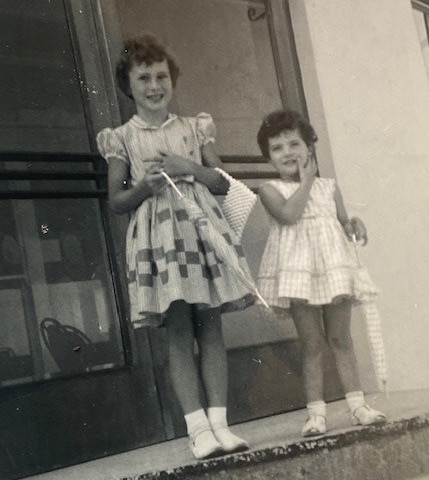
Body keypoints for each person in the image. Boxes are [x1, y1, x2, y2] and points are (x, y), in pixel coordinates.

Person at [96, 35, 253, 459]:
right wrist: (143, 187)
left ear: (173, 80)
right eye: (143, 77)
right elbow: (115, 201)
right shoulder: (121, 138)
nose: (153, 85)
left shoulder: (193, 128)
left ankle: (221, 424)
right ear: (128, 84)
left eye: (161, 76)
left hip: (201, 235)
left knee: (212, 327)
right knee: (180, 332)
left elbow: (223, 183)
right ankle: (198, 429)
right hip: (160, 243)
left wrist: (191, 168)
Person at [256, 110, 386, 437]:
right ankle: (316, 414)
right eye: (277, 148)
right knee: (312, 343)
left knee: (341, 338)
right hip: (300, 275)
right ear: (269, 158)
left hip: (332, 271)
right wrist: (307, 180)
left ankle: (358, 406)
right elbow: (289, 214)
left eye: (294, 143)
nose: (287, 152)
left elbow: (341, 222)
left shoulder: (329, 187)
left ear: (309, 147)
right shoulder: (270, 189)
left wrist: (353, 224)